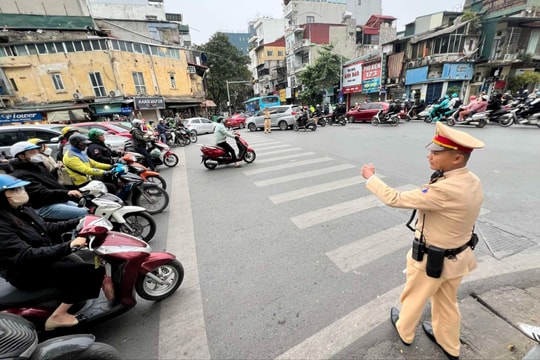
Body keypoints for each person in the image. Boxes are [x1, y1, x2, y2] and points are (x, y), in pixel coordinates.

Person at [360, 122, 484, 360]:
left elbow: (395, 198)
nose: (430, 155)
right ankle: (449, 344)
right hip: (458, 258)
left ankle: (404, 331)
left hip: (433, 260)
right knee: (447, 302)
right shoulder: (471, 180)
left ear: (457, 159)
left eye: (437, 153)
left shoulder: (444, 189)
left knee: (414, 297)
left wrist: (371, 178)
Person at [0, 174, 106, 331]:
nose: (21, 192)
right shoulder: (2, 224)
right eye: (14, 190)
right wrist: (68, 245)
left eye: (21, 188)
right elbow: (25, 255)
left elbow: (46, 228)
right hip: (25, 271)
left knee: (78, 264)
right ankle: (58, 316)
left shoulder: (23, 209)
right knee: (92, 272)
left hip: (40, 261)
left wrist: (79, 221)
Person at [9, 141, 88, 220]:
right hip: (43, 206)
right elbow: (40, 193)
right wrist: (67, 192)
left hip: (56, 200)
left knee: (88, 210)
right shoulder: (22, 174)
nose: (37, 155)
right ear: (22, 156)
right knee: (84, 214)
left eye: (37, 151)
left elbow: (51, 182)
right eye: (32, 153)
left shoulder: (38, 166)